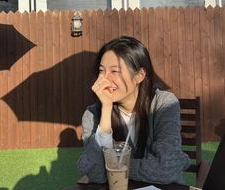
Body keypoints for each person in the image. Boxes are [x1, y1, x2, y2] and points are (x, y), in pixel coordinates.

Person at [77, 36, 190, 185]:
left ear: (139, 76)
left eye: (114, 71)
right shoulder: (92, 115)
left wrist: (114, 167)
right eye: (101, 71)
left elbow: (167, 169)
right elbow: (97, 174)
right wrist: (106, 109)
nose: (105, 79)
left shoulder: (164, 104)